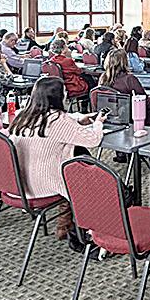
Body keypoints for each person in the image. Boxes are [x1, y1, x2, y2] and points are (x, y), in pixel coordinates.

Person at [9, 76, 105, 244]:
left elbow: (56, 126)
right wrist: (98, 123)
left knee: (77, 156)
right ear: (58, 97)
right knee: (85, 171)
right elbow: (93, 140)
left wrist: (77, 120)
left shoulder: (23, 116)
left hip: (19, 184)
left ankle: (65, 224)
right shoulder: (58, 120)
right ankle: (83, 229)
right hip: (43, 186)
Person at [99, 49, 150, 127]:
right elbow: (147, 103)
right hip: (132, 117)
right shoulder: (129, 79)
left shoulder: (103, 78)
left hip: (111, 117)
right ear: (125, 62)